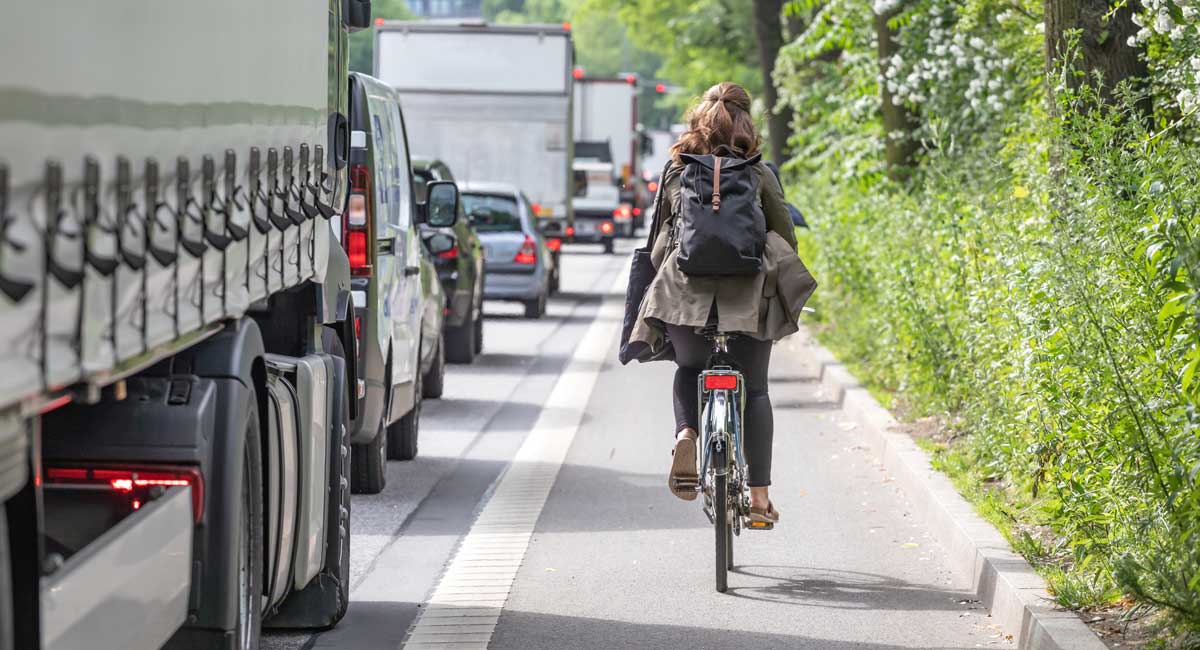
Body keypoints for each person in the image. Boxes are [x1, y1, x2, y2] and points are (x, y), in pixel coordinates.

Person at [626, 82, 816, 526]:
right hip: (747, 301)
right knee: (756, 389)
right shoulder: (759, 172)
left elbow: (659, 240)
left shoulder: (677, 171)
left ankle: (687, 432)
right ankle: (758, 498)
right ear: (746, 122)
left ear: (698, 122)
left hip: (684, 301)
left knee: (689, 369)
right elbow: (785, 236)